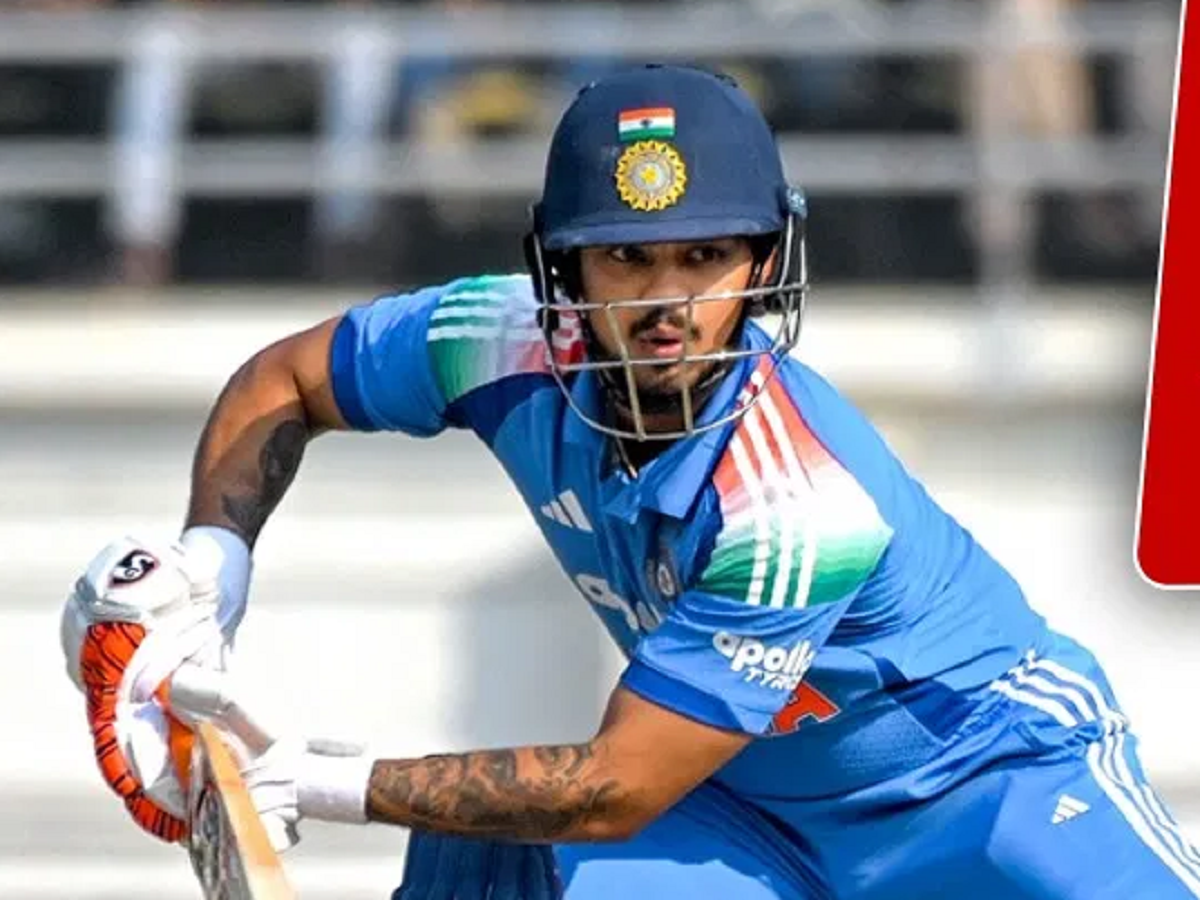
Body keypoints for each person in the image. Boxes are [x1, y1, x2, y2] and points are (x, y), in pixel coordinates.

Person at [61, 64, 1200, 899]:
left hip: (994, 790)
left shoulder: (794, 501)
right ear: (563, 266)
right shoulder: (494, 338)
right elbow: (288, 379)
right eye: (627, 258)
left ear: (763, 261)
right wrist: (211, 567)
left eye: (705, 256)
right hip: (757, 814)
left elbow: (620, 786)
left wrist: (312, 779)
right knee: (488, 868)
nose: (668, 303)